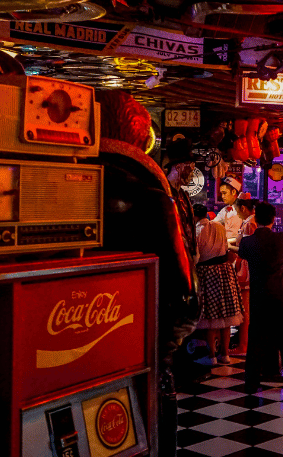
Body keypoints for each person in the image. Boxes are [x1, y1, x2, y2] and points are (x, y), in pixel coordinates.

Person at [92, 89, 200, 457]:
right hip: (139, 355)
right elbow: (185, 301)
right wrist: (161, 355)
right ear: (144, 137)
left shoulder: (56, 175)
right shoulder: (154, 193)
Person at [238, 202, 283, 393]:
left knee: (256, 337)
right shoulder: (282, 239)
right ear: (273, 219)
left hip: (259, 294)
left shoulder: (247, 242)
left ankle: (251, 382)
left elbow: (242, 254)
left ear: (255, 218)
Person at [195, 218, 244, 365]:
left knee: (210, 318)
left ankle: (212, 356)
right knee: (226, 317)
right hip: (223, 271)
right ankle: (225, 354)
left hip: (205, 272)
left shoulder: (197, 230)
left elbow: (196, 257)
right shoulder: (219, 227)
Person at [228, 197, 258, 355]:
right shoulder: (251, 221)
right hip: (247, 268)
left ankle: (243, 345)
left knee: (245, 309)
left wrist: (226, 246)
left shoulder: (249, 224)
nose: (235, 212)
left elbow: (245, 248)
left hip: (244, 270)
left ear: (243, 209)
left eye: (236, 209)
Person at [164, 136, 198, 264]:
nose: (192, 174)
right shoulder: (164, 193)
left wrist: (194, 250)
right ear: (178, 167)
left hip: (186, 259)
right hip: (172, 260)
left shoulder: (183, 195)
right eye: (190, 169)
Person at [213, 176, 243, 243]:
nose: (222, 196)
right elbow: (214, 223)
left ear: (233, 192)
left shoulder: (243, 210)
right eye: (221, 194)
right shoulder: (224, 210)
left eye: (224, 193)